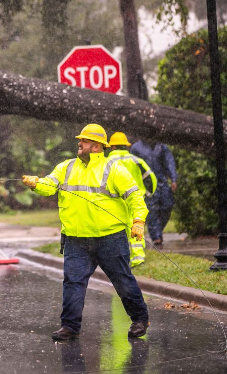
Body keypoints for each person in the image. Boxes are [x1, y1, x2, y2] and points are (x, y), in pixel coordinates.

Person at [22, 124, 149, 341]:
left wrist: (138, 221)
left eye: (84, 141)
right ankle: (70, 326)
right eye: (80, 140)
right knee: (73, 281)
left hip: (110, 239)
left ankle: (140, 319)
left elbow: (136, 197)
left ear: (96, 146)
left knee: (123, 280)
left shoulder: (114, 170)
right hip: (76, 240)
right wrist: (36, 184)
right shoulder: (66, 167)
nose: (79, 144)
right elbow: (50, 186)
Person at [107, 132, 157, 266]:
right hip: (136, 198)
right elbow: (151, 178)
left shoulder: (107, 162)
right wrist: (147, 193)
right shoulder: (136, 160)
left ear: (112, 147)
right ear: (126, 146)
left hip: (115, 200)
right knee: (136, 225)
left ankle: (118, 258)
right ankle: (138, 257)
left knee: (116, 229)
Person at [130, 139, 178, 246]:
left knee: (167, 205)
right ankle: (156, 237)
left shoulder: (162, 147)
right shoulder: (136, 148)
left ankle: (158, 229)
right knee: (151, 210)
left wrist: (173, 178)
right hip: (146, 184)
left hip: (162, 182)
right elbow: (132, 167)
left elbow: (170, 162)